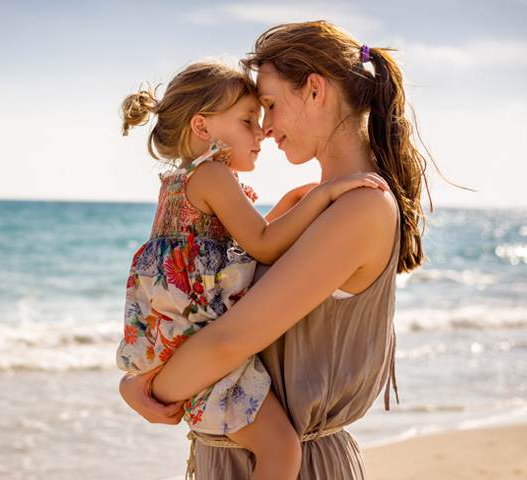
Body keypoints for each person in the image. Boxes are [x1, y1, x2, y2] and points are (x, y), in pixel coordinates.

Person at [119, 20, 430, 479]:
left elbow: (228, 342)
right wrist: (135, 383)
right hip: (233, 455)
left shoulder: (361, 208)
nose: (264, 128)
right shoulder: (307, 202)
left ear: (315, 91)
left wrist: (149, 388)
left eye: (268, 105)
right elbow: (208, 319)